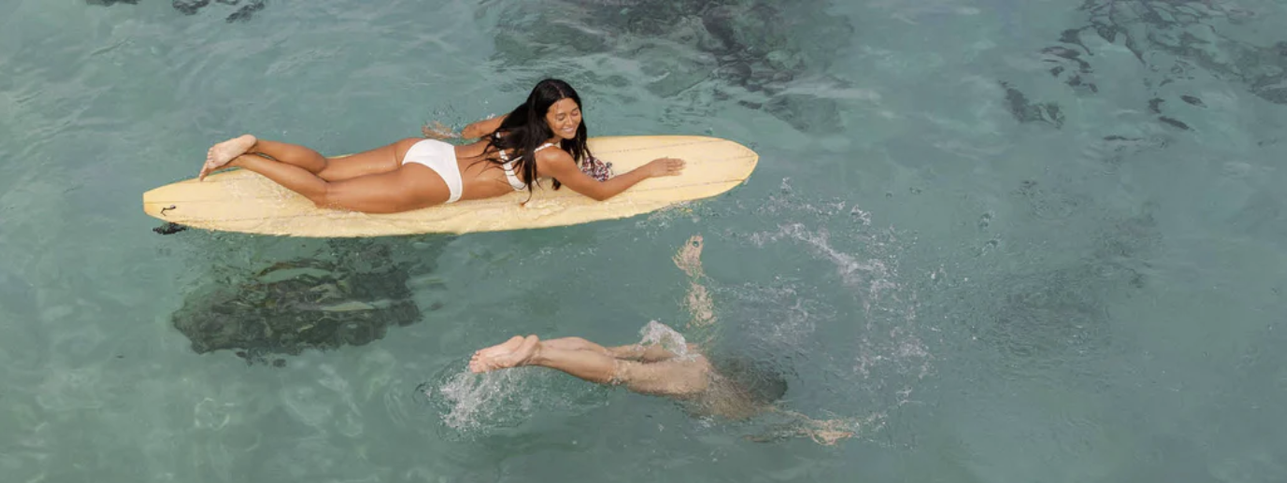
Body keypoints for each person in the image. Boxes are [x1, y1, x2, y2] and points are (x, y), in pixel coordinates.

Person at [463, 236, 860, 445]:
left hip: (690, 356)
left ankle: (534, 345)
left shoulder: (712, 357)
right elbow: (783, 422)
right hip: (692, 381)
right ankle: (537, 353)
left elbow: (705, 318)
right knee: (618, 372)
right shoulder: (745, 408)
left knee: (609, 351)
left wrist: (693, 274)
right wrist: (817, 430)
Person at [195, 78, 688, 214]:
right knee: (323, 196)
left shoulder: (515, 119)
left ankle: (257, 140)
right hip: (435, 181)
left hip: (421, 152)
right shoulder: (553, 156)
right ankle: (243, 158)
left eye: (573, 111)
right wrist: (649, 170)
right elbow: (599, 194)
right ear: (544, 117)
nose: (570, 119)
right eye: (561, 114)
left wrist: (447, 136)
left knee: (325, 167)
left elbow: (474, 127)